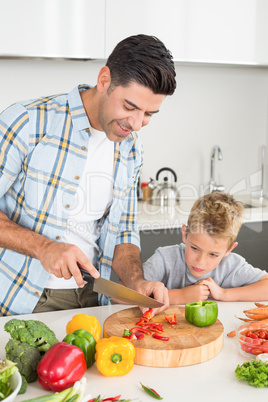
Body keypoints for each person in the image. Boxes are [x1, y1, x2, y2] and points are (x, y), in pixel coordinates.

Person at [0, 34, 176, 316]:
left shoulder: (131, 148)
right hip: (20, 299)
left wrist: (135, 282)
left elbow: (123, 230)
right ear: (104, 79)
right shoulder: (26, 121)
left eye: (149, 114)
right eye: (130, 107)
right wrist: (44, 247)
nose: (136, 124)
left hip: (96, 300)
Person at [143, 192, 268, 304]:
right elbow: (124, 294)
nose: (200, 261)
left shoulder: (232, 266)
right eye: (195, 248)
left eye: (213, 254)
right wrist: (179, 296)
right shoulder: (164, 259)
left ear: (229, 249)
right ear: (185, 233)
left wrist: (223, 294)